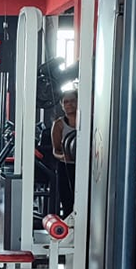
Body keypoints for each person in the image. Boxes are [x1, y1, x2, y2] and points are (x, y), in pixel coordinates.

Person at [51, 88, 77, 217]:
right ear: (62, 105)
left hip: (85, 168)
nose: (69, 104)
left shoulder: (88, 121)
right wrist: (63, 156)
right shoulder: (59, 124)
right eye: (66, 102)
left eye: (72, 101)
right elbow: (55, 150)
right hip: (66, 167)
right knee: (68, 203)